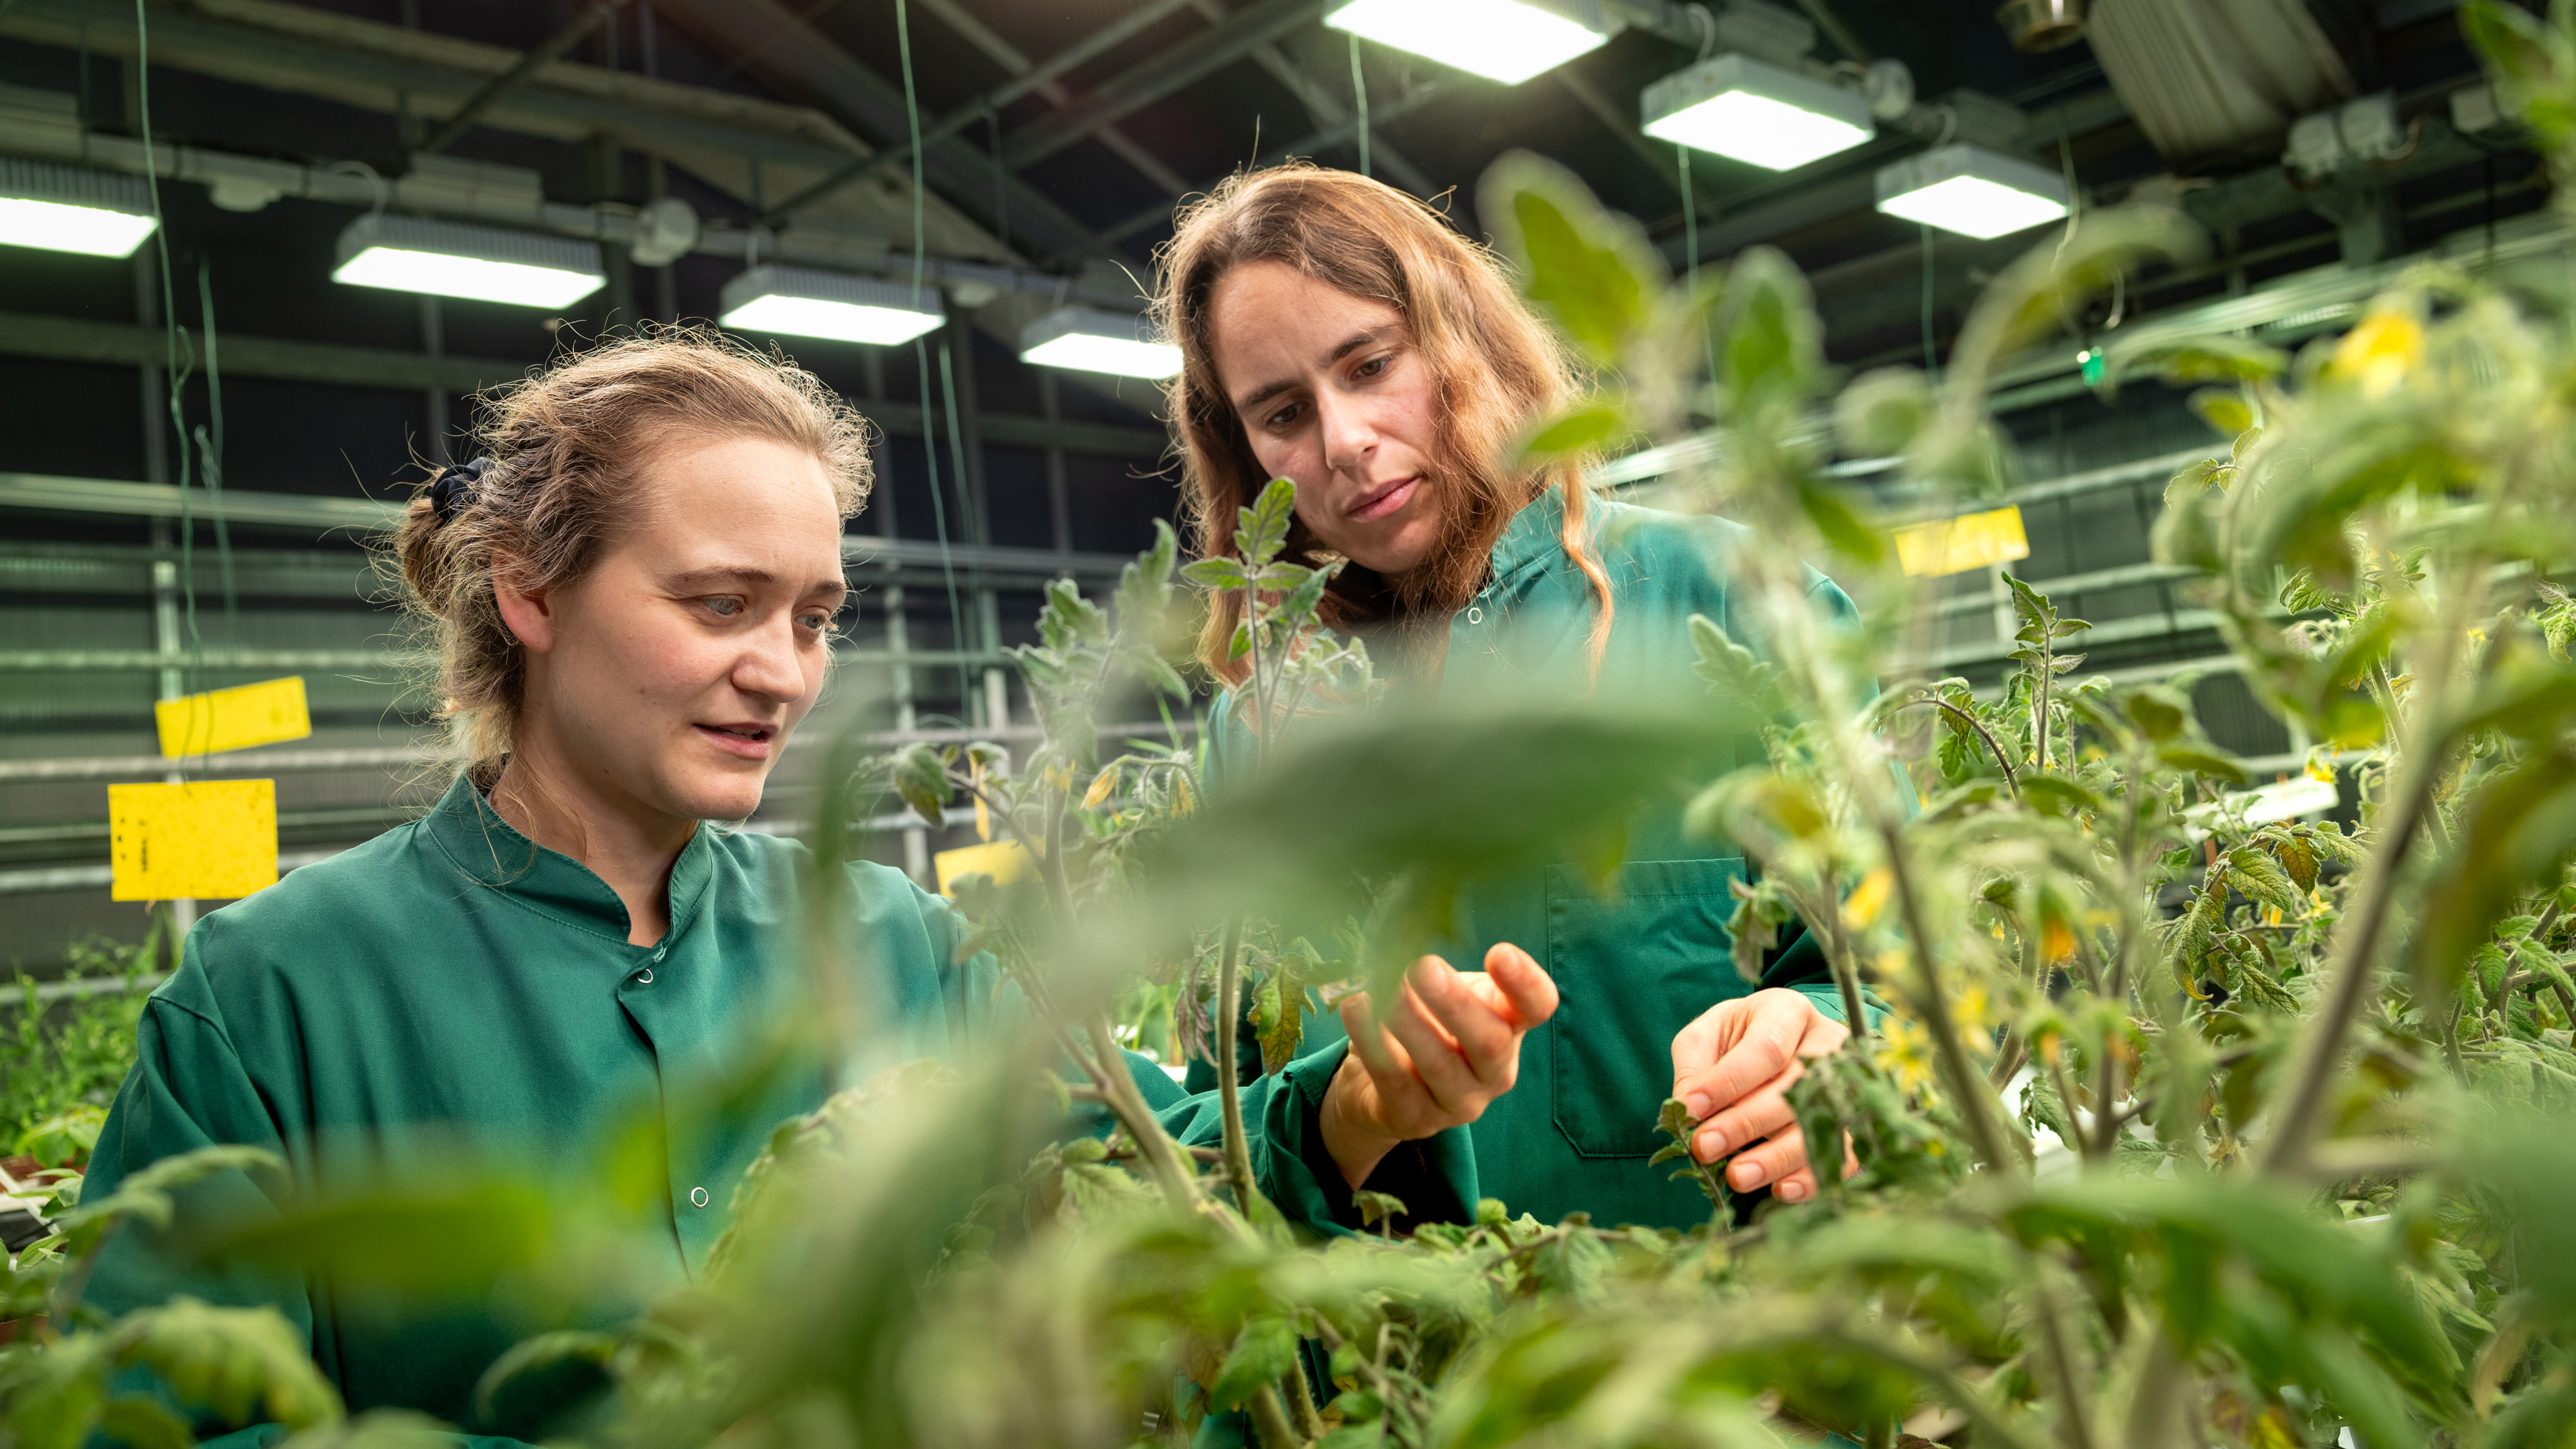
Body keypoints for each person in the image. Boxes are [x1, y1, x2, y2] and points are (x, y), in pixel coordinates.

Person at [73, 330, 1558, 1444]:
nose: (784, 673)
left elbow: (1121, 1194)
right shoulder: (272, 997)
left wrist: (1362, 1107)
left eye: (816, 615)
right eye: (720, 603)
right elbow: (159, 1415)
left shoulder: (894, 938)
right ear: (528, 589)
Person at [1158, 164, 1862, 1231]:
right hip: (1398, 1383)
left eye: (1371, 363)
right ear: (1247, 456)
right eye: (1283, 412)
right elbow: (1240, 1129)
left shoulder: (1726, 606)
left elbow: (1924, 969)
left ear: (1463, 341)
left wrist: (1831, 1043)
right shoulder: (1258, 738)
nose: (1344, 440)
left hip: (1739, 1370)